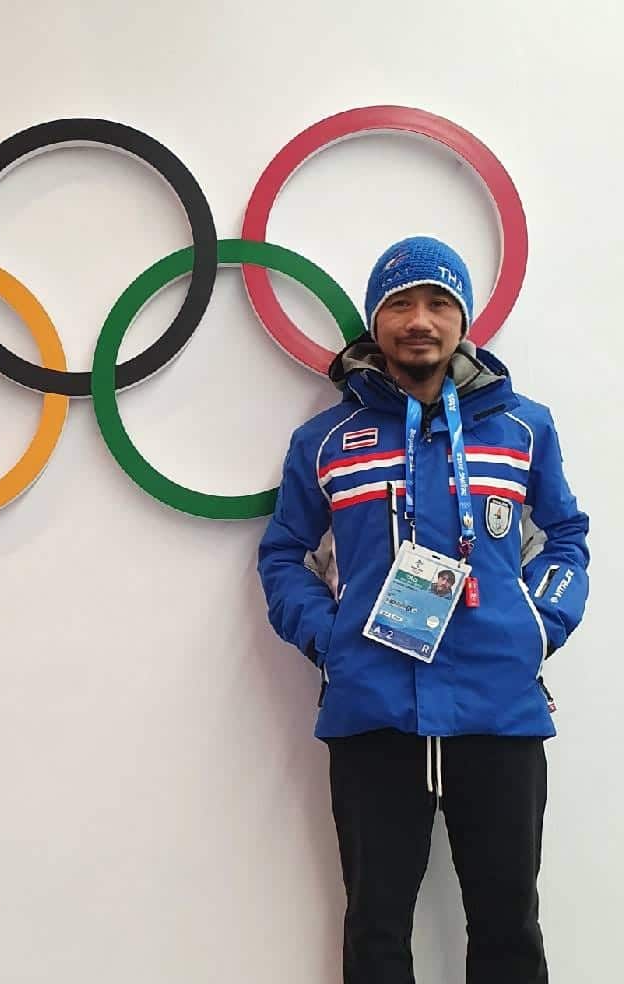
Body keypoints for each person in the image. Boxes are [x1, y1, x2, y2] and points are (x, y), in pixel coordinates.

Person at [257, 236, 589, 984]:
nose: (420, 320)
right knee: (375, 932)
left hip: (499, 714)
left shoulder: (523, 428)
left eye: (439, 303)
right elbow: (282, 555)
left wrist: (543, 623)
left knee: (510, 929)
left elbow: (567, 536)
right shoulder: (326, 441)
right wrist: (330, 635)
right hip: (373, 713)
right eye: (400, 304)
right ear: (377, 322)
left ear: (462, 320)